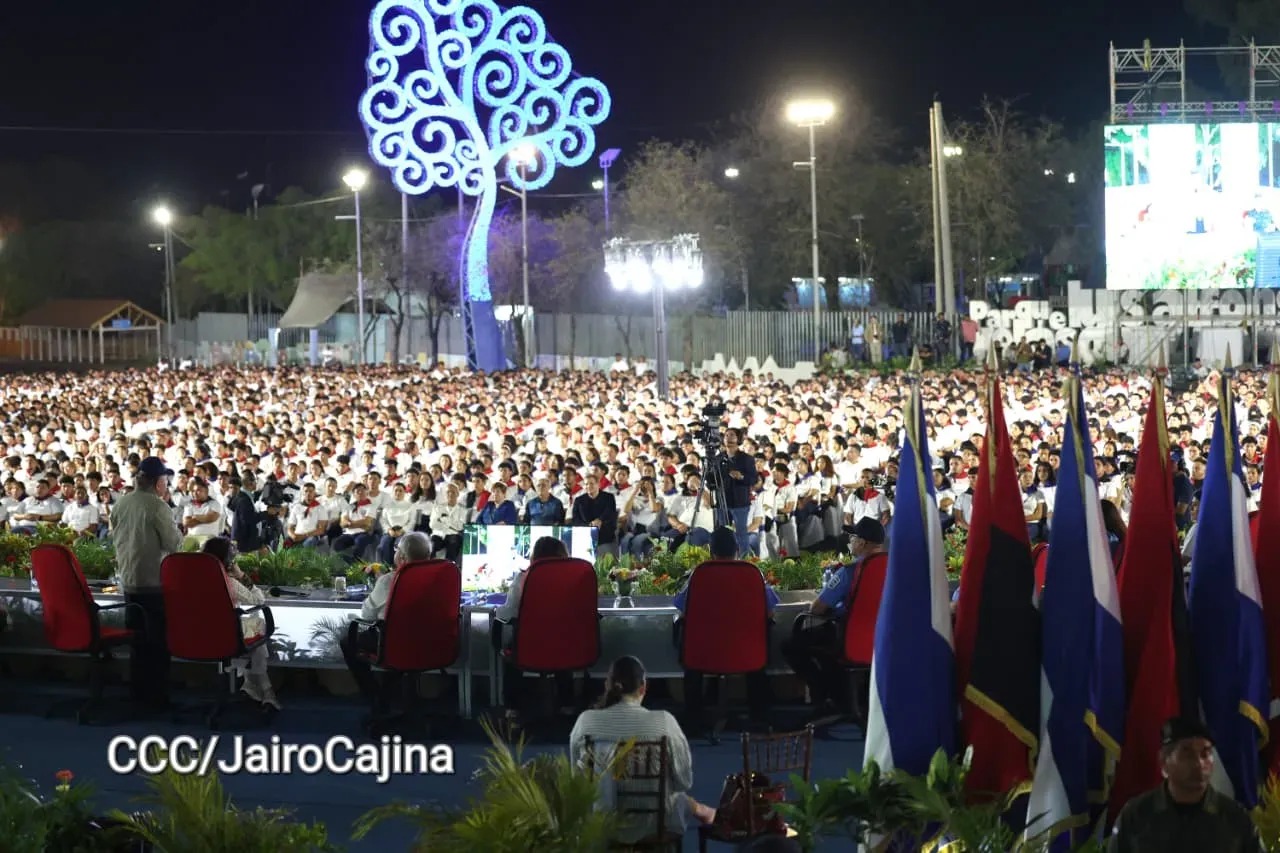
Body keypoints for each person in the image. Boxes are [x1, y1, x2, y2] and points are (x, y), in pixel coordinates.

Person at [569, 656, 716, 843]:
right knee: (678, 798)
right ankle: (703, 811)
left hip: (599, 826)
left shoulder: (585, 722)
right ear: (643, 688)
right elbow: (683, 782)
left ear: (607, 685)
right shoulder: (664, 721)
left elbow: (577, 782)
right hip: (656, 826)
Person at [780, 517, 886, 723]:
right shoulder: (894, 569)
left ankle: (825, 697)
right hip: (884, 641)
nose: (850, 542)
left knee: (792, 645)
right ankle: (845, 700)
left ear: (863, 543)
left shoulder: (849, 572)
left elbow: (817, 608)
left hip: (850, 638)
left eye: (853, 538)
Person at [674, 527, 778, 727]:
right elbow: (770, 613)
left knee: (685, 643)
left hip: (704, 653)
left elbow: (683, 611)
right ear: (737, 550)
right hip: (747, 651)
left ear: (711, 551)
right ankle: (760, 716)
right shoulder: (754, 574)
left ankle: (693, 718)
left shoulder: (698, 575)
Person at [1107, 717, 1260, 852]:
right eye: (1187, 753)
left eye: (1205, 754)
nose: (1199, 763)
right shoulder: (1136, 816)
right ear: (1164, 761)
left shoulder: (1235, 819)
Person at [112, 457, 185, 708]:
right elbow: (173, 544)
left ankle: (137, 695)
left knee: (137, 642)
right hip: (153, 584)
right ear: (157, 482)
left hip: (129, 582)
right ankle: (155, 698)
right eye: (166, 480)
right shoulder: (157, 506)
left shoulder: (121, 503)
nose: (167, 484)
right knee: (157, 644)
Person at [339, 531, 434, 714]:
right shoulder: (439, 576)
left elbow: (367, 615)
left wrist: (380, 585)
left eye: (397, 550)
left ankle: (376, 698)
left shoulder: (390, 580)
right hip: (433, 643)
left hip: (396, 644)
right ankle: (392, 695)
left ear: (402, 557)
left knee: (348, 642)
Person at [494, 536, 579, 716]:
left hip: (529, 648)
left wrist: (497, 613)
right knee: (562, 643)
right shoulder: (574, 579)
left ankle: (513, 709)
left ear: (535, 556)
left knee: (511, 647)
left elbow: (509, 614)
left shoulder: (522, 579)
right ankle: (567, 704)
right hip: (567, 647)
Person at [200, 537, 279, 710]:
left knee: (244, 628)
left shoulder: (192, 579)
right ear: (228, 560)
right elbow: (258, 600)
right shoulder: (228, 582)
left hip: (195, 637)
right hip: (224, 638)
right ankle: (265, 690)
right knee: (256, 624)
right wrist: (242, 576)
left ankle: (251, 685)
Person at [720, 429, 758, 556]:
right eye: (726, 435)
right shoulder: (718, 458)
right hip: (722, 501)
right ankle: (724, 559)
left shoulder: (746, 459)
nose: (728, 438)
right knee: (722, 533)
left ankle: (744, 560)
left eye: (732, 435)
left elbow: (753, 479)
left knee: (741, 533)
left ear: (739, 439)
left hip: (740, 502)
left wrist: (741, 476)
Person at [572, 472, 619, 558]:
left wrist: (600, 521)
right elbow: (575, 520)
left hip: (604, 535)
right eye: (586, 484)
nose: (589, 486)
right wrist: (589, 525)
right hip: (585, 535)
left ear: (598, 484)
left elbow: (610, 515)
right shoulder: (579, 500)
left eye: (591, 483)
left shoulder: (609, 498)